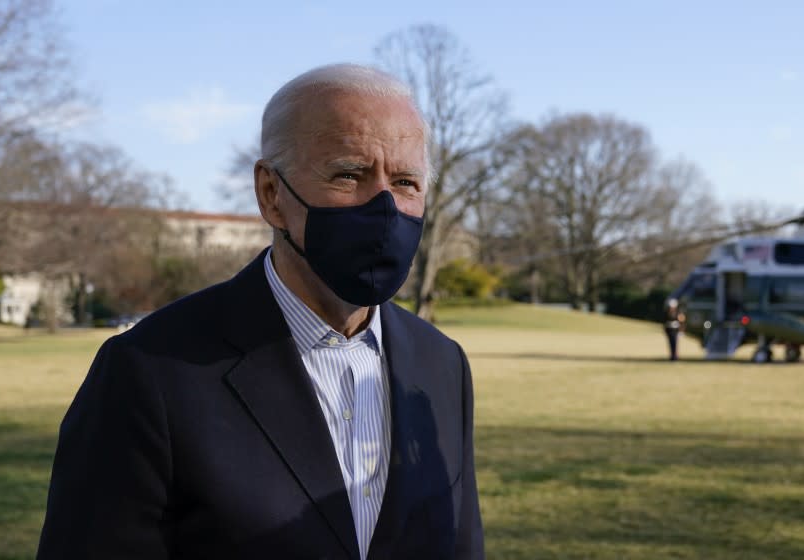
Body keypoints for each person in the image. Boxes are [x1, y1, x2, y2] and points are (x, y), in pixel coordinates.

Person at [36, 64, 484, 560]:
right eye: (348, 174)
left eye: (405, 182)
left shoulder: (443, 366)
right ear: (272, 195)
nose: (381, 206)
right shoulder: (149, 371)